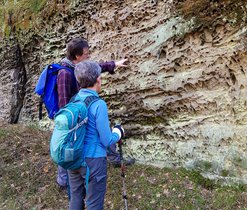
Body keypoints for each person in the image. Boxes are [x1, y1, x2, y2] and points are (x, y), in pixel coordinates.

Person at [56, 37, 135, 189]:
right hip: (72, 119)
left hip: (83, 111)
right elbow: (63, 105)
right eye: (87, 53)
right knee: (67, 145)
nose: (89, 55)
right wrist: (73, 123)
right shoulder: (65, 74)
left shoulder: (79, 67)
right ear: (77, 56)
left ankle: (113, 157)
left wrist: (114, 64)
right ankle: (62, 180)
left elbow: (95, 67)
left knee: (102, 127)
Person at [68, 60, 124, 210]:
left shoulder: (73, 100)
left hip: (72, 157)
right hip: (93, 160)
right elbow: (106, 140)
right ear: (98, 79)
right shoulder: (98, 104)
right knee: (94, 203)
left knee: (75, 198)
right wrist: (118, 133)